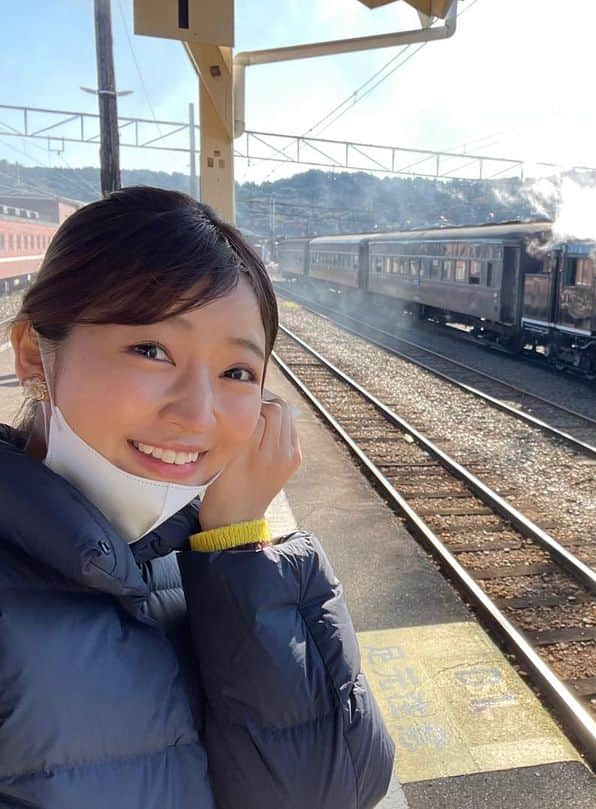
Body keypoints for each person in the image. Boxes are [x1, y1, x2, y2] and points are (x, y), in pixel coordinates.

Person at [0, 187, 394, 808]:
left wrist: (238, 544)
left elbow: (327, 794)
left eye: (236, 372)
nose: (198, 415)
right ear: (32, 354)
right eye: (150, 350)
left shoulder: (195, 546)